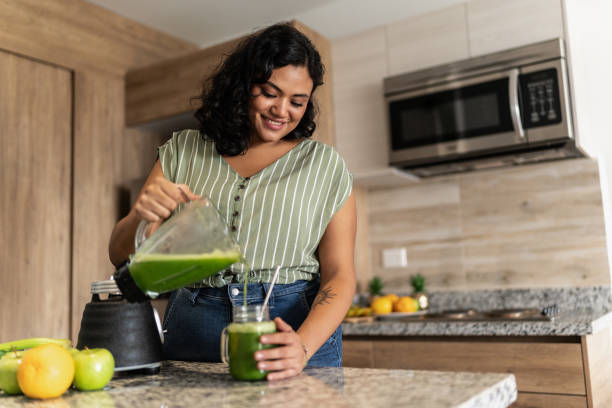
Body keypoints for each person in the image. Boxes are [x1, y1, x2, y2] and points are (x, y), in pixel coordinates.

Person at [108, 22, 356, 381]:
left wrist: (301, 347)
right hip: (195, 325)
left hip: (292, 330)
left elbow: (340, 275)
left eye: (297, 101)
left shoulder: (325, 165)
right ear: (244, 86)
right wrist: (138, 217)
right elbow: (119, 254)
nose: (281, 110)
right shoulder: (183, 151)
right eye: (270, 93)